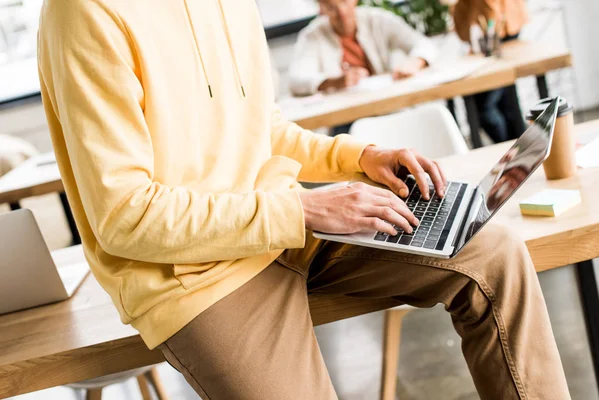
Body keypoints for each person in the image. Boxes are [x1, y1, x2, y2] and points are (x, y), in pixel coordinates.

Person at [37, 0, 570, 399]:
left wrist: (359, 156)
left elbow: (256, 129)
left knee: (494, 255)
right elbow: (125, 216)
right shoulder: (85, 13)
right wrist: (302, 210)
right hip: (194, 277)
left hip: (289, 226)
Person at [288, 0, 439, 96]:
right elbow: (296, 79)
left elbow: (423, 44)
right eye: (332, 7)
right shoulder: (312, 36)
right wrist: (334, 82)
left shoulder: (378, 19)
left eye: (344, 1)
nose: (342, 12)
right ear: (321, 8)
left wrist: (415, 62)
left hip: (386, 103)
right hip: (345, 118)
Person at [453, 0, 529, 143]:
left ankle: (513, 151)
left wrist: (485, 37)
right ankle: (517, 151)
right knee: (505, 103)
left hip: (497, 27)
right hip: (486, 27)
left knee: (486, 108)